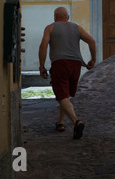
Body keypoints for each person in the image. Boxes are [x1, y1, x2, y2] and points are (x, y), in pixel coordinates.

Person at [38, 7, 97, 139]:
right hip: (76, 65)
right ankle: (61, 122)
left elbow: (43, 46)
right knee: (66, 95)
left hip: (60, 64)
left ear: (55, 17)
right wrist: (93, 59)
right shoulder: (77, 28)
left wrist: (42, 66)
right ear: (68, 17)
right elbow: (92, 41)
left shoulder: (50, 28)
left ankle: (76, 121)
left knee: (61, 96)